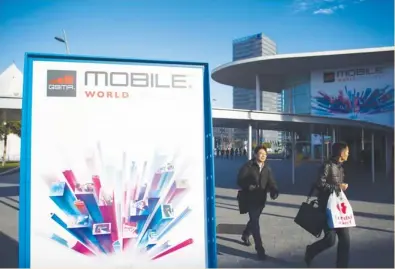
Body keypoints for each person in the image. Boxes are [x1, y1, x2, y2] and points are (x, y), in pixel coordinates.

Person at [304, 142, 350, 268]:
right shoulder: (327, 165)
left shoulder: (340, 167)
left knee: (345, 240)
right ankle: (311, 251)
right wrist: (337, 187)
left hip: (338, 207)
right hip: (327, 207)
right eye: (347, 151)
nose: (348, 154)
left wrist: (340, 188)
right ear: (341, 153)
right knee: (330, 240)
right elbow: (320, 184)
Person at [237, 145, 279, 260]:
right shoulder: (248, 166)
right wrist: (248, 186)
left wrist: (274, 190)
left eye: (265, 154)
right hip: (250, 199)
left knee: (254, 220)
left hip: (261, 200)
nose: (263, 156)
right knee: (255, 223)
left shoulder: (267, 168)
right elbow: (240, 180)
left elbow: (271, 182)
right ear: (255, 154)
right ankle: (260, 249)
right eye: (260, 154)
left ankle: (245, 235)